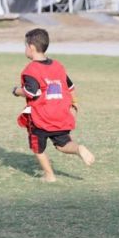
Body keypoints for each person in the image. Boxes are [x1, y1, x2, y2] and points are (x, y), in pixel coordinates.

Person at [13, 28, 94, 182]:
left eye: (25, 46)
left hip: (41, 117)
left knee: (37, 147)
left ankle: (49, 175)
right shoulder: (58, 65)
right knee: (62, 144)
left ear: (31, 47)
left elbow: (32, 92)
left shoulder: (31, 69)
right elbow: (70, 87)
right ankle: (78, 149)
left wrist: (16, 91)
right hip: (60, 114)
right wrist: (74, 104)